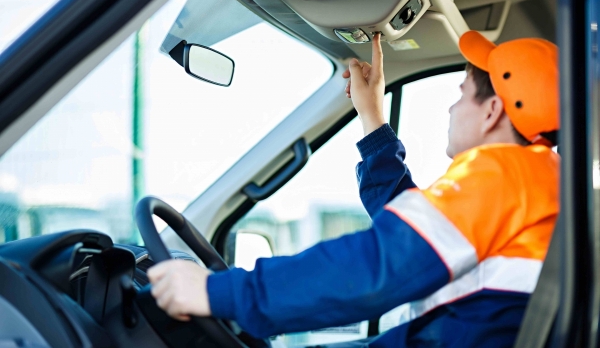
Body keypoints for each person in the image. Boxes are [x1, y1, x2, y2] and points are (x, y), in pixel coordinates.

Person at [148, 31, 560, 347]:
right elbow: (409, 238)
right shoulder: (537, 181)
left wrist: (218, 292)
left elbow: (375, 267)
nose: (452, 108)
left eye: (462, 95)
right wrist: (372, 116)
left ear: (492, 111)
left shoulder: (505, 175)